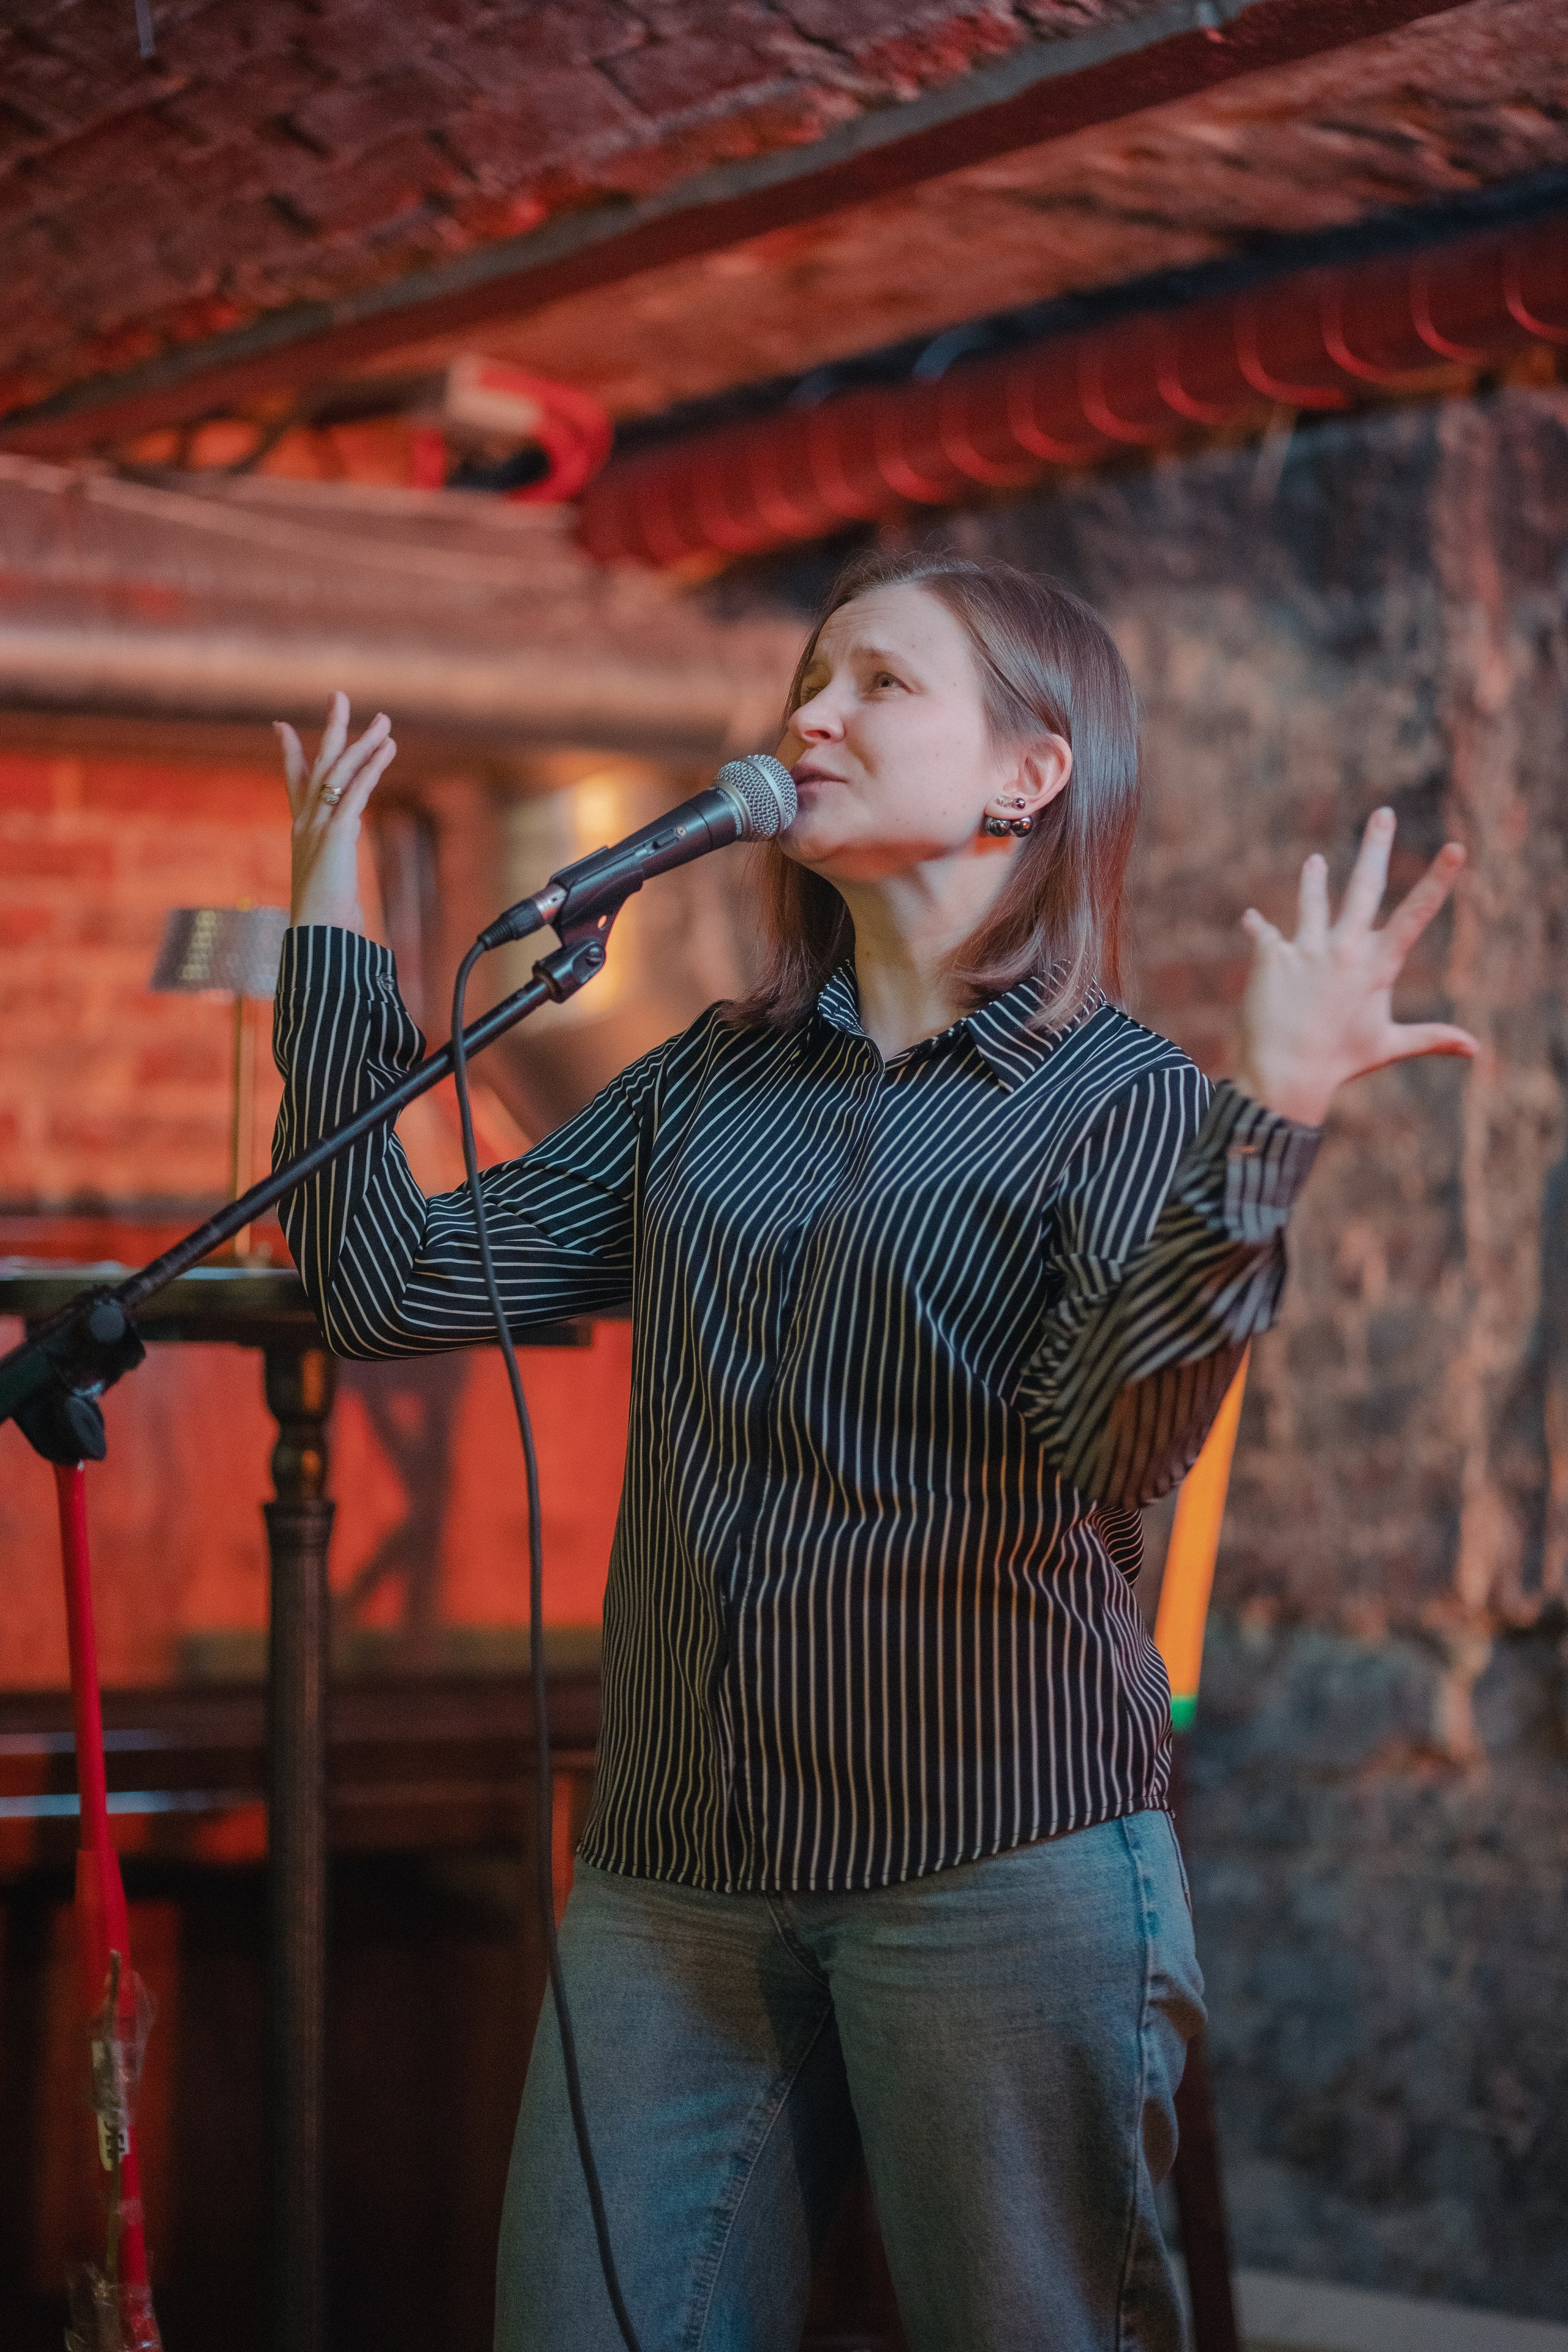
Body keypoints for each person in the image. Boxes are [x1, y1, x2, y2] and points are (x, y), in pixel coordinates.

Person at [272, 549, 1474, 2352]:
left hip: (990, 1869)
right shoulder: (705, 1082)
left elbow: (1112, 1445)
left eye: (881, 686)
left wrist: (1271, 1127)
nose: (811, 716)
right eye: (806, 685)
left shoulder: (1124, 1103)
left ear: (1029, 774)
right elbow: (386, 1279)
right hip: (675, 1879)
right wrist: (327, 931)